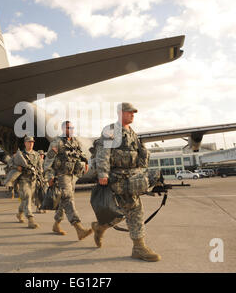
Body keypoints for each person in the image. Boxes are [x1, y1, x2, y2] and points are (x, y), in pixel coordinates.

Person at [93, 103, 161, 262]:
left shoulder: (132, 133)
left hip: (132, 177)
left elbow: (138, 154)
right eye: (129, 112)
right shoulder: (111, 130)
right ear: (120, 113)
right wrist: (102, 173)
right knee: (133, 210)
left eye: (133, 113)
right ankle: (138, 247)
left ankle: (100, 227)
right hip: (118, 177)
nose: (132, 115)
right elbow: (103, 152)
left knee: (124, 212)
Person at [44, 121, 93, 240]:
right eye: (68, 128)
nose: (70, 129)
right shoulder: (57, 142)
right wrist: (49, 177)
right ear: (62, 129)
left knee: (63, 201)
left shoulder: (75, 141)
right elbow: (48, 162)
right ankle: (79, 228)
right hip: (61, 176)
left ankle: (56, 224)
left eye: (72, 127)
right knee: (69, 200)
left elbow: (81, 154)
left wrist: (85, 162)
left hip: (72, 175)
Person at [14, 136, 41, 229]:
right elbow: (10, 164)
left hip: (33, 180)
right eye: (29, 142)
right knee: (28, 197)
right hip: (23, 180)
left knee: (27, 199)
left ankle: (19, 213)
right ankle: (30, 220)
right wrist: (16, 167)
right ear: (25, 143)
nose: (31, 143)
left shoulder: (36, 154)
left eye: (32, 142)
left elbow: (39, 168)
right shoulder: (20, 154)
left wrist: (41, 179)